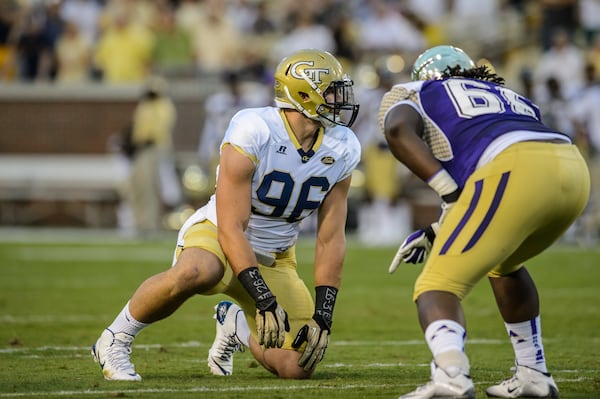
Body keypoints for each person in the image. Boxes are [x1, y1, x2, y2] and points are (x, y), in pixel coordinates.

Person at [91, 48, 361, 381]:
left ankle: (234, 325)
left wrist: (324, 313)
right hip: (219, 235)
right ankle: (115, 338)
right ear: (302, 93)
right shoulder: (255, 128)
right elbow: (232, 226)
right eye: (332, 90)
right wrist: (263, 297)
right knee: (197, 270)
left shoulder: (343, 145)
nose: (340, 98)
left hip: (275, 255)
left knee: (297, 367)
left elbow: (330, 237)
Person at [378, 45, 590, 398]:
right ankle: (533, 373)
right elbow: (486, 205)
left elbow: (398, 130)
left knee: (437, 284)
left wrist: (445, 191)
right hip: (571, 170)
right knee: (505, 264)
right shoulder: (507, 94)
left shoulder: (419, 91)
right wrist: (435, 230)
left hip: (514, 167)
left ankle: (450, 375)